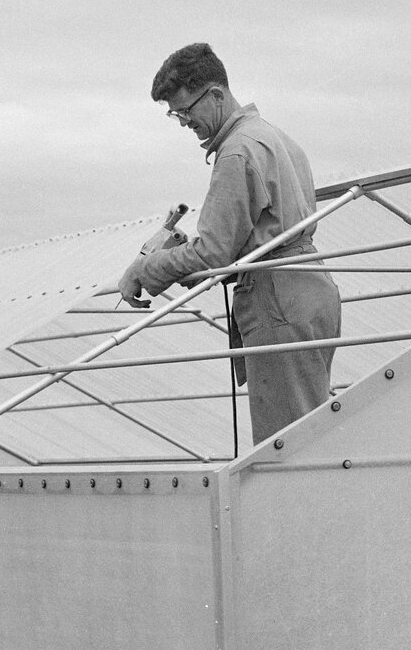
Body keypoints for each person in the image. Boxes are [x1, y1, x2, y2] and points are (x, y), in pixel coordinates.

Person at [120, 44, 341, 444]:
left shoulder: (237, 151)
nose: (184, 122)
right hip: (310, 290)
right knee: (309, 428)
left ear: (216, 95)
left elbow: (213, 252)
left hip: (276, 301)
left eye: (186, 110)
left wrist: (145, 269)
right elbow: (256, 236)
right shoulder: (277, 138)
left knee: (285, 445)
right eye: (176, 115)